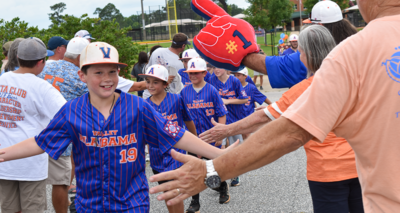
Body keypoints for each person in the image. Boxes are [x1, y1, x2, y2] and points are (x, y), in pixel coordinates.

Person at [149, 0, 400, 211]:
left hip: (335, 175)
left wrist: (211, 170)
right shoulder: (352, 48)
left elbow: (286, 132)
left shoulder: (348, 57)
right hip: (356, 173)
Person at [0, 41, 236, 213]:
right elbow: (41, 142)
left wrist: (222, 155)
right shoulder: (72, 110)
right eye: (98, 72)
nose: (107, 78)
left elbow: (175, 134)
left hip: (132, 203)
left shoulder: (137, 107)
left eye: (112, 71)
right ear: (82, 76)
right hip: (90, 205)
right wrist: (3, 155)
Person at [202, 26, 364, 212]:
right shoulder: (354, 79)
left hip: (327, 171)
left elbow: (262, 118)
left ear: (308, 55)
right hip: (361, 166)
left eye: (300, 52)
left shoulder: (306, 88)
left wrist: (227, 130)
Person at [0, 37, 66, 213]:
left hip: (4, 161)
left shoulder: (2, 79)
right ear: (41, 62)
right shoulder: (42, 87)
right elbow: (67, 116)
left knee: (9, 210)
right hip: (31, 164)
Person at [37, 37, 90, 213]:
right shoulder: (79, 76)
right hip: (61, 134)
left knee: (34, 180)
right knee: (60, 183)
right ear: (80, 57)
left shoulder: (46, 66)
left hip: (37, 129)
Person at [140, 65, 198, 213]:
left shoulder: (176, 99)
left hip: (176, 156)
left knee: (174, 195)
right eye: (148, 81)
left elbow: (188, 121)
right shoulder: (144, 105)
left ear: (166, 84)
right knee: (168, 196)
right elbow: (144, 133)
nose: (150, 86)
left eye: (155, 82)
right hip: (156, 158)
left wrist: (196, 145)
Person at [179, 57, 230, 213]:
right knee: (194, 169)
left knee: (211, 168)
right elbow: (181, 116)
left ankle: (222, 187)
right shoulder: (183, 92)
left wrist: (220, 135)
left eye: (196, 73)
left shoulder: (212, 90)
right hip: (192, 139)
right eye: (190, 73)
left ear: (204, 73)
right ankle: (195, 202)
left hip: (210, 136)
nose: (192, 76)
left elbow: (221, 113)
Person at [143, 33, 189, 99]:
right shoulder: (178, 63)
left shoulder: (157, 51)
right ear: (183, 46)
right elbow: (176, 86)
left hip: (148, 93)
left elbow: (147, 68)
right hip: (163, 98)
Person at [233, 67, 271, 140]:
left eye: (239, 75)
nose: (236, 77)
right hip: (237, 117)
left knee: (246, 135)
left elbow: (262, 97)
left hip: (247, 117)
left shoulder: (251, 88)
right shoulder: (233, 87)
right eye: (235, 75)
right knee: (239, 137)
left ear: (245, 76)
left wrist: (273, 106)